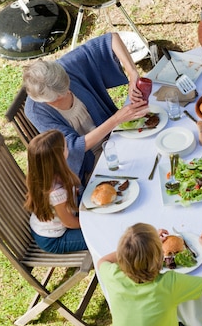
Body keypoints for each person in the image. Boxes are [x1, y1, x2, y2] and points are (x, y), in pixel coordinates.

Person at [23, 32, 148, 184]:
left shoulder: (63, 69)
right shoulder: (36, 111)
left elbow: (111, 39)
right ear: (47, 102)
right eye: (62, 95)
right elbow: (73, 148)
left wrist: (133, 74)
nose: (69, 91)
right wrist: (116, 119)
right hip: (91, 163)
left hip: (117, 137)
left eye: (68, 84)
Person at [25, 130, 87, 253]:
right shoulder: (56, 192)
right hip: (54, 238)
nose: (68, 147)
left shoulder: (41, 170)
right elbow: (69, 223)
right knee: (100, 234)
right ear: (58, 157)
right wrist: (92, 222)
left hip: (59, 219)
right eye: (65, 147)